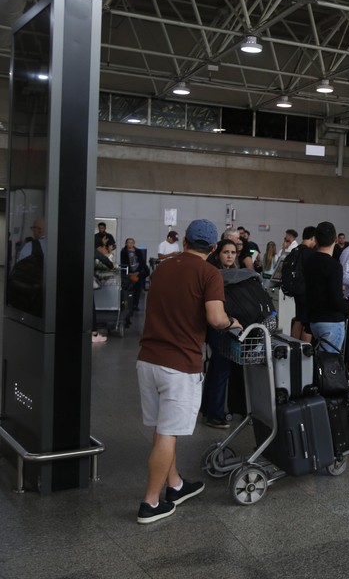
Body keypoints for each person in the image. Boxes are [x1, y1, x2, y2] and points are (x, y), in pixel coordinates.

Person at [135, 218, 235, 524]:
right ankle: (151, 503)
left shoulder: (163, 268)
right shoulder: (210, 273)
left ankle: (174, 485)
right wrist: (234, 322)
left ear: (185, 242)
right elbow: (216, 318)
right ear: (215, 248)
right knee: (168, 433)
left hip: (147, 360)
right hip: (179, 366)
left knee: (163, 430)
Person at [201, 239, 240, 429]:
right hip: (220, 325)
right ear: (218, 254)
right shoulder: (215, 274)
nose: (230, 256)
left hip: (222, 325)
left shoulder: (228, 273)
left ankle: (209, 409)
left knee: (216, 367)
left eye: (233, 252)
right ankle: (215, 414)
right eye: (226, 252)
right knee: (222, 368)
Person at [304, 221, 349, 353]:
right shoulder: (334, 266)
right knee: (329, 367)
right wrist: (348, 308)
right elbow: (336, 299)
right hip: (331, 322)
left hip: (314, 321)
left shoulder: (309, 262)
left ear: (316, 239)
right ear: (335, 239)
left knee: (318, 363)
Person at [290, 226, 318, 342]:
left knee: (298, 319)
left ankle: (293, 347)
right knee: (307, 324)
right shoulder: (311, 253)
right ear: (313, 238)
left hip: (297, 290)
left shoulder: (295, 250)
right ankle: (304, 353)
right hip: (307, 291)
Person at [122, 237, 149, 317]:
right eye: (128, 242)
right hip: (128, 273)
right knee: (129, 289)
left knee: (138, 289)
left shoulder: (138, 251)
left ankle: (135, 305)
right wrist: (129, 272)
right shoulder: (123, 252)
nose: (130, 244)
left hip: (138, 272)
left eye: (131, 242)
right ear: (126, 244)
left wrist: (138, 272)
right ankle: (128, 304)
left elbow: (142, 262)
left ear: (134, 243)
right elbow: (123, 262)